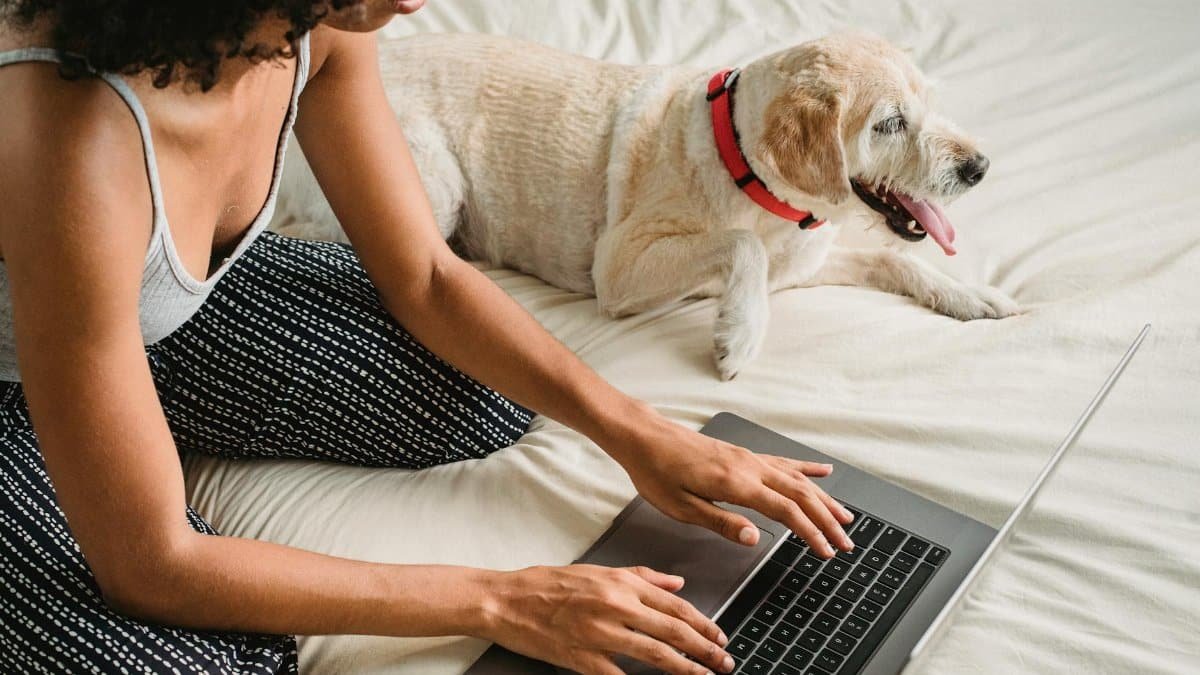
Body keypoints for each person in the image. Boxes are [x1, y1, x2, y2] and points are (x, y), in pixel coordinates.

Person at [0, 1, 856, 673]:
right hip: (24, 352)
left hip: (124, 304)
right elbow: (150, 563)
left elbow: (427, 276)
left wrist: (640, 432)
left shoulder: (313, 21)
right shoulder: (72, 135)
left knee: (474, 398)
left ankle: (112, 416)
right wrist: (503, 601)